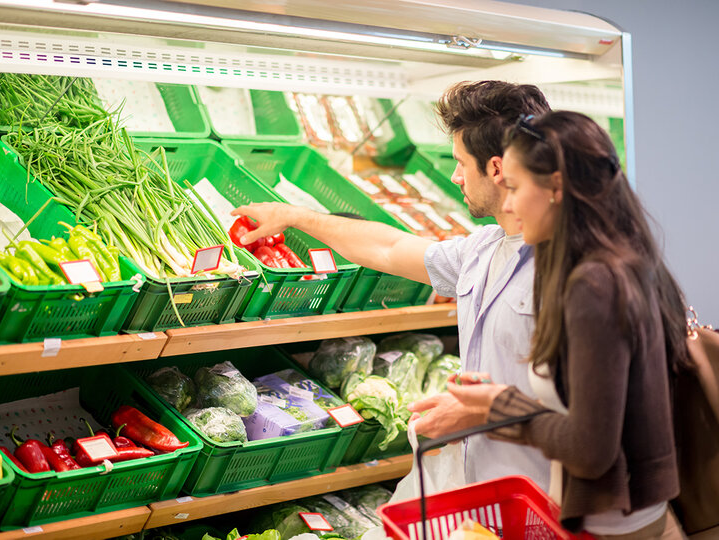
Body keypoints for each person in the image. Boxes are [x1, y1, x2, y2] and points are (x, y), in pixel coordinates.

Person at [233, 81, 552, 490]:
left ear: (495, 169)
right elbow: (390, 247)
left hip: (550, 500)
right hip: (486, 493)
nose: (455, 176)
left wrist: (487, 414)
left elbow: (598, 417)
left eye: (460, 162)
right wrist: (296, 216)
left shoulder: (568, 270)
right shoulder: (484, 251)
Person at [443, 111, 688, 538]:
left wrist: (498, 406)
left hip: (611, 525)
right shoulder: (615, 259)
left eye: (516, 188)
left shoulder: (594, 285)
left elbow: (591, 449)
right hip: (630, 512)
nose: (508, 203)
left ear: (555, 188)